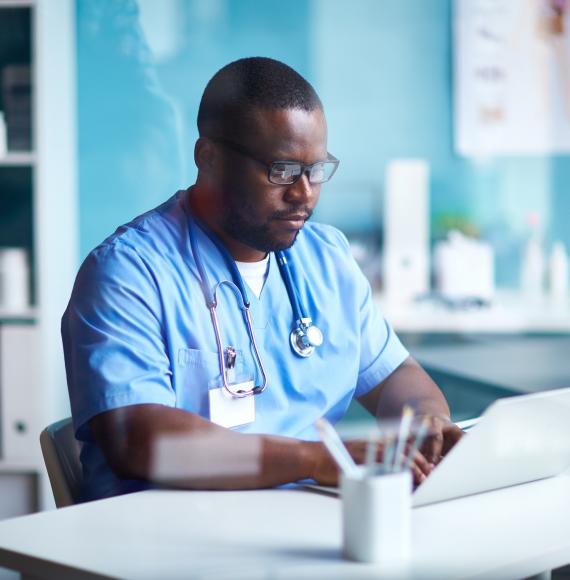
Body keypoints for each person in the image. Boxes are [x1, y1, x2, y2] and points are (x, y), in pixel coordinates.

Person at [62, 57, 462, 501]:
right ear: (207, 157)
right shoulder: (127, 273)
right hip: (168, 544)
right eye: (283, 171)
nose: (303, 194)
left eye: (317, 170)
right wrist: (319, 461)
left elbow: (396, 374)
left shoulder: (326, 258)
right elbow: (139, 442)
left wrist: (427, 420)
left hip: (304, 529)